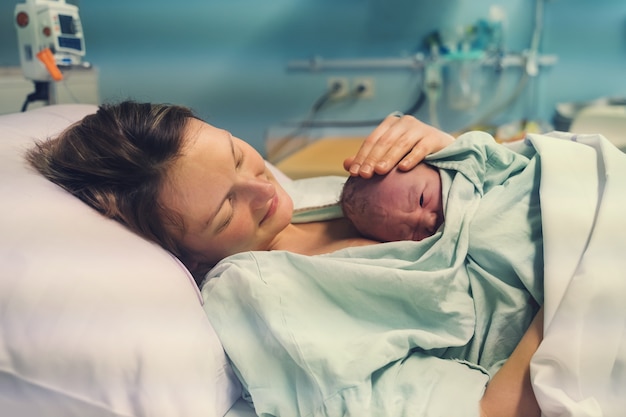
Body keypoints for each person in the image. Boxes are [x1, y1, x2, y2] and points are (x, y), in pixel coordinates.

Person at [27, 101, 542, 417]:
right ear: (189, 255)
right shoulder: (268, 299)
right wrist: (577, 280)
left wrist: (454, 153)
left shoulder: (315, 200)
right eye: (226, 206)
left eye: (235, 154)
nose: (261, 186)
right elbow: (488, 411)